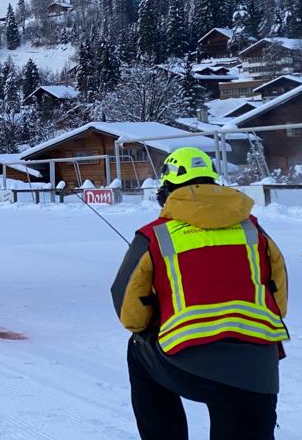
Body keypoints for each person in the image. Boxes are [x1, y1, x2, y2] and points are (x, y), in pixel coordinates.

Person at [111, 147, 289, 440]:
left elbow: (131, 315)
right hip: (256, 372)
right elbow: (278, 303)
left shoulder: (154, 235)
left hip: (185, 364)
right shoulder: (254, 231)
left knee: (138, 348)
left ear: (166, 192)